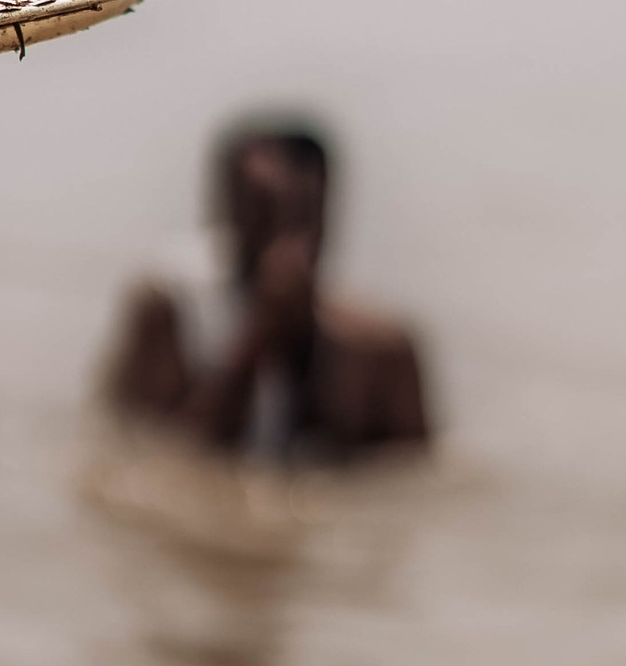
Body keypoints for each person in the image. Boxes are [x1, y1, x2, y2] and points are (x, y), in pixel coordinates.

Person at [104, 119, 432, 460]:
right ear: (224, 208)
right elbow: (164, 460)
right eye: (262, 213)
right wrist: (257, 339)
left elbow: (413, 482)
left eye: (301, 215)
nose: (283, 241)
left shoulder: (383, 348)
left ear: (327, 209)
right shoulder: (165, 307)